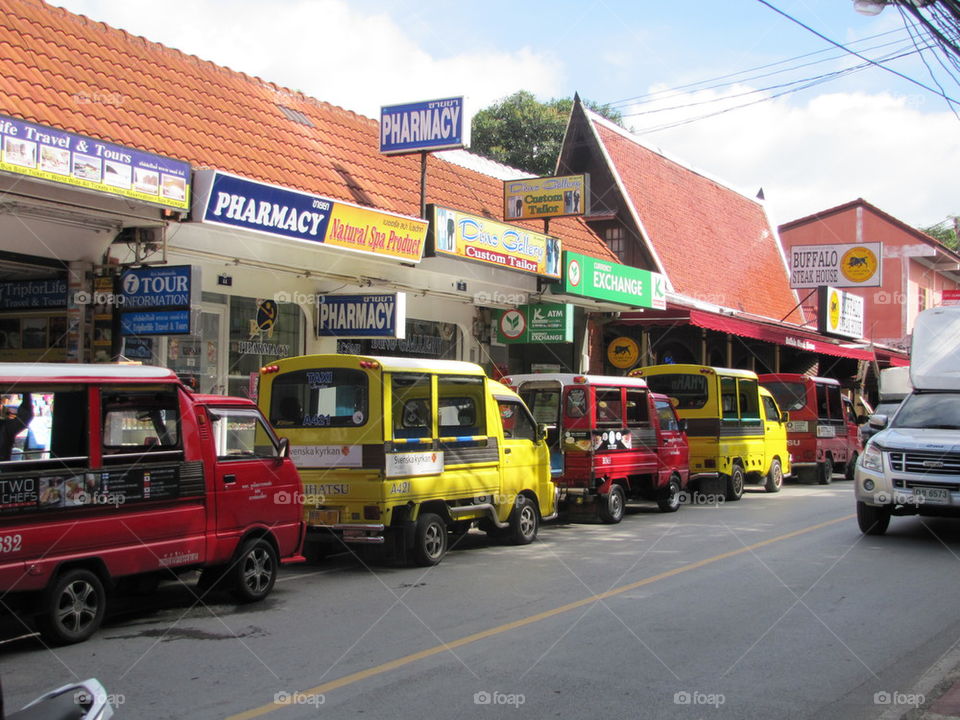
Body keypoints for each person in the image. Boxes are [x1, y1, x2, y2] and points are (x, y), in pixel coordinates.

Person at [1, 392, 34, 461]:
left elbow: (26, 415)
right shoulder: (6, 427)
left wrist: (26, 392)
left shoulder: (5, 427)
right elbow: (26, 415)